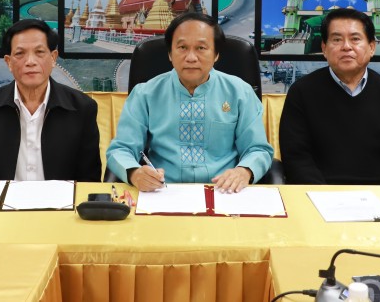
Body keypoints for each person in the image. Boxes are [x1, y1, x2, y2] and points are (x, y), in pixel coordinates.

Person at [106, 12, 273, 193]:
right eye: (182, 47)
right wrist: (135, 173)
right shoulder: (145, 94)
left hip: (224, 192)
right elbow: (121, 149)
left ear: (216, 54)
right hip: (162, 192)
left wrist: (244, 171)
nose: (191, 57)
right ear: (170, 53)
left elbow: (258, 149)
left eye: (201, 48)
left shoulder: (240, 92)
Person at [278, 8, 380, 197]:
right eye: (337, 39)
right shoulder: (301, 92)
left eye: (355, 39)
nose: (346, 47)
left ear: (371, 47)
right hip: (320, 200)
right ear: (324, 48)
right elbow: (296, 159)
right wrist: (324, 199)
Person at [0, 19, 101, 182]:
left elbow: (88, 180)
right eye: (20, 53)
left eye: (39, 52)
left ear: (53, 58)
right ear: (8, 62)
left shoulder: (82, 108)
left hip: (61, 199)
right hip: (2, 198)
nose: (30, 62)